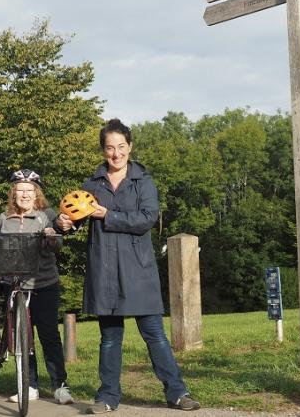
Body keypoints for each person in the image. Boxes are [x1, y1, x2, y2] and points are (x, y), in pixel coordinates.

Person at [56, 119, 200, 414]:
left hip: (139, 270)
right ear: (103, 150)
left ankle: (177, 393)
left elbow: (146, 219)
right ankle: (107, 397)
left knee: (155, 335)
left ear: (130, 147)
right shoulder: (91, 185)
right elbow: (76, 221)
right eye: (110, 148)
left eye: (121, 147)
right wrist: (65, 224)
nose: (116, 153)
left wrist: (108, 214)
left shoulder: (143, 181)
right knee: (110, 338)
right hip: (105, 271)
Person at [0, 168, 74, 405]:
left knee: (49, 335)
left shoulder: (47, 214)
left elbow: (57, 245)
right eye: (20, 190)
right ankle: (28, 385)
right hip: (17, 286)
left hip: (44, 284)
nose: (24, 195)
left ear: (36, 192)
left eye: (29, 190)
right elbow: (0, 250)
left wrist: (53, 237)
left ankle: (60, 385)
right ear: (13, 193)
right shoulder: (4, 218)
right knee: (22, 338)